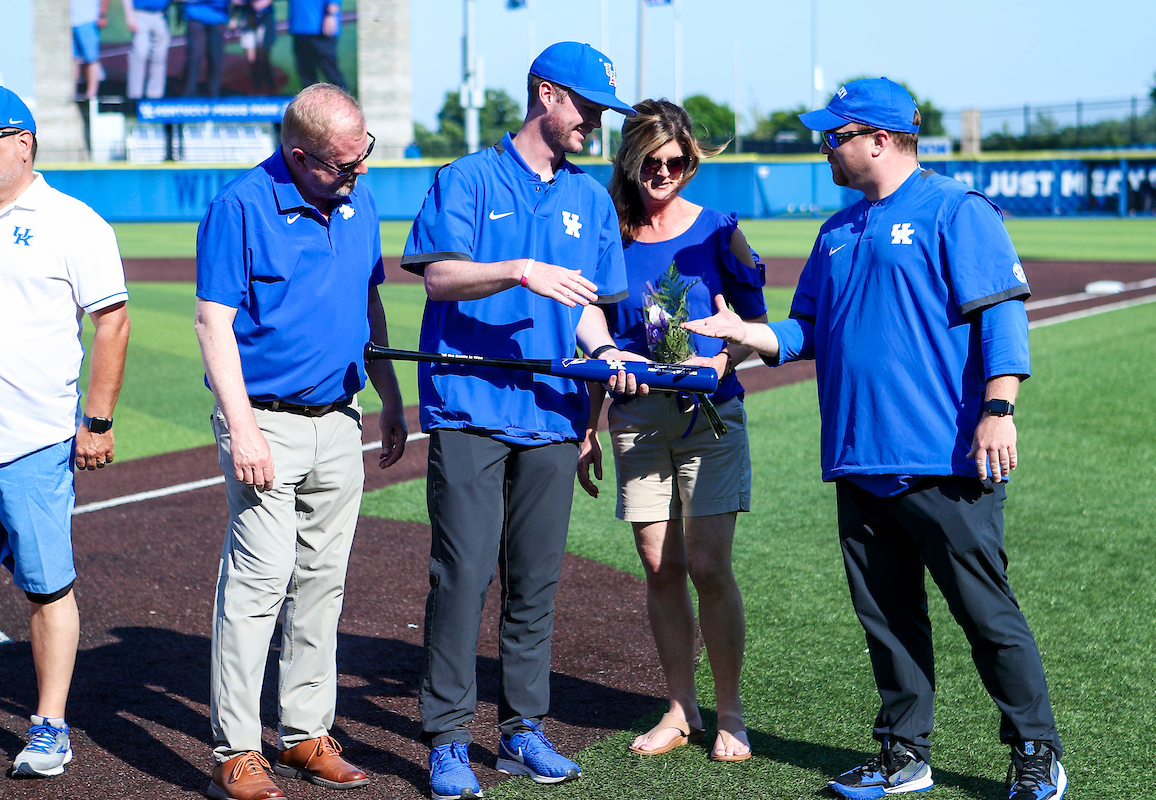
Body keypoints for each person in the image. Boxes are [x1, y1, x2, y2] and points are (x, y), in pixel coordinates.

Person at [683, 78, 1067, 800]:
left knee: (987, 616)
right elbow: (805, 332)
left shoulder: (957, 209)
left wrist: (999, 407)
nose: (825, 146)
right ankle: (903, 754)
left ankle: (1036, 751)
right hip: (858, 457)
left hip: (946, 457)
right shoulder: (836, 230)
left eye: (836, 135)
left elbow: (1003, 315)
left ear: (880, 140)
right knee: (887, 622)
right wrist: (747, 336)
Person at [401, 41, 641, 800]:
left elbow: (591, 316)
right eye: (589, 108)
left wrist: (611, 360)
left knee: (534, 582)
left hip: (553, 415)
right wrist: (520, 269)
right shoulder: (467, 178)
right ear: (546, 94)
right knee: (464, 576)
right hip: (471, 407)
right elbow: (438, 278)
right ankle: (446, 739)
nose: (596, 124)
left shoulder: (592, 200)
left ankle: (520, 733)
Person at [194, 83, 406, 799]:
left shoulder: (359, 198)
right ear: (298, 155)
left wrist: (391, 397)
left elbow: (369, 300)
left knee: (322, 585)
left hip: (339, 419)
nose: (359, 173)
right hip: (266, 421)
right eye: (344, 164)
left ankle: (305, 733)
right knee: (257, 586)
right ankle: (237, 750)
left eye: (363, 156)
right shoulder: (241, 206)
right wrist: (244, 428)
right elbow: (212, 323)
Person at [577, 98, 767, 763]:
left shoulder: (721, 231)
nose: (666, 172)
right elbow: (597, 329)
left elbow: (754, 328)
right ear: (630, 159)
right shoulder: (609, 233)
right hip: (636, 417)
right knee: (662, 566)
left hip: (709, 415)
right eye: (653, 161)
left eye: (678, 161)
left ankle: (731, 713)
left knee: (710, 566)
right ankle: (681, 709)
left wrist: (720, 358)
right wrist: (590, 420)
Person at [0, 86, 130, 777]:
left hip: (32, 441)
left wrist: (98, 420)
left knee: (45, 588)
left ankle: (50, 725)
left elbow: (111, 320)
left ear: (22, 143)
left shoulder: (71, 221)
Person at [290, 0, 346, 89]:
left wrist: (331, 15)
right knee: (306, 74)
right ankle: (309, 102)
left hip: (321, 29)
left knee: (331, 72)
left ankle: (343, 101)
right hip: (300, 30)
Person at [122, 0, 172, 100]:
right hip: (140, 13)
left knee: (159, 56)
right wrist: (129, 15)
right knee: (140, 54)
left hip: (161, 14)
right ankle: (135, 96)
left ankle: (155, 96)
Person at [181, 0, 230, 97]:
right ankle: (188, 96)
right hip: (195, 14)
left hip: (218, 16)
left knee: (215, 58)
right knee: (194, 56)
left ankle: (213, 96)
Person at [71, 0, 110, 100]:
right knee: (72, 60)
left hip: (88, 19)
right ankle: (72, 92)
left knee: (91, 58)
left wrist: (102, 14)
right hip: (69, 21)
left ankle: (91, 94)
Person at [235, 0, 276, 95]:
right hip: (248, 16)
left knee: (263, 57)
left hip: (265, 16)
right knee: (251, 59)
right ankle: (257, 90)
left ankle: (270, 90)